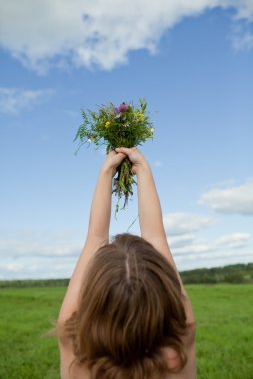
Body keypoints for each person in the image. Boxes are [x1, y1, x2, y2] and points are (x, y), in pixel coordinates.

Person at [57, 147, 196, 379]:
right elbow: (156, 237)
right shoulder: (178, 347)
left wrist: (105, 172)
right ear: (165, 295)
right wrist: (143, 169)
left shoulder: (76, 351)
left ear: (93, 299)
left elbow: (95, 238)